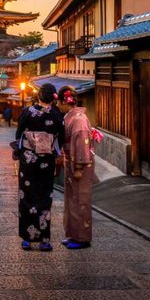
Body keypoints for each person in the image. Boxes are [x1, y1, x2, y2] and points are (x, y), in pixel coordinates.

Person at [14, 83, 64, 251]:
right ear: (53, 98)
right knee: (44, 197)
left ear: (39, 96)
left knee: (26, 196)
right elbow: (60, 138)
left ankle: (27, 239)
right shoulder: (57, 115)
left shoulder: (27, 112)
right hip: (46, 161)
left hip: (28, 161)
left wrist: (21, 150)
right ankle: (44, 239)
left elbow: (19, 133)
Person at [57, 85, 95, 250]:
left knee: (81, 200)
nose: (57, 105)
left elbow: (81, 145)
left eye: (58, 102)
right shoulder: (70, 116)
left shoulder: (78, 120)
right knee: (71, 199)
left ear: (65, 101)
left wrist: (78, 167)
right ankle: (72, 234)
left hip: (80, 164)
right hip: (71, 162)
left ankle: (82, 238)